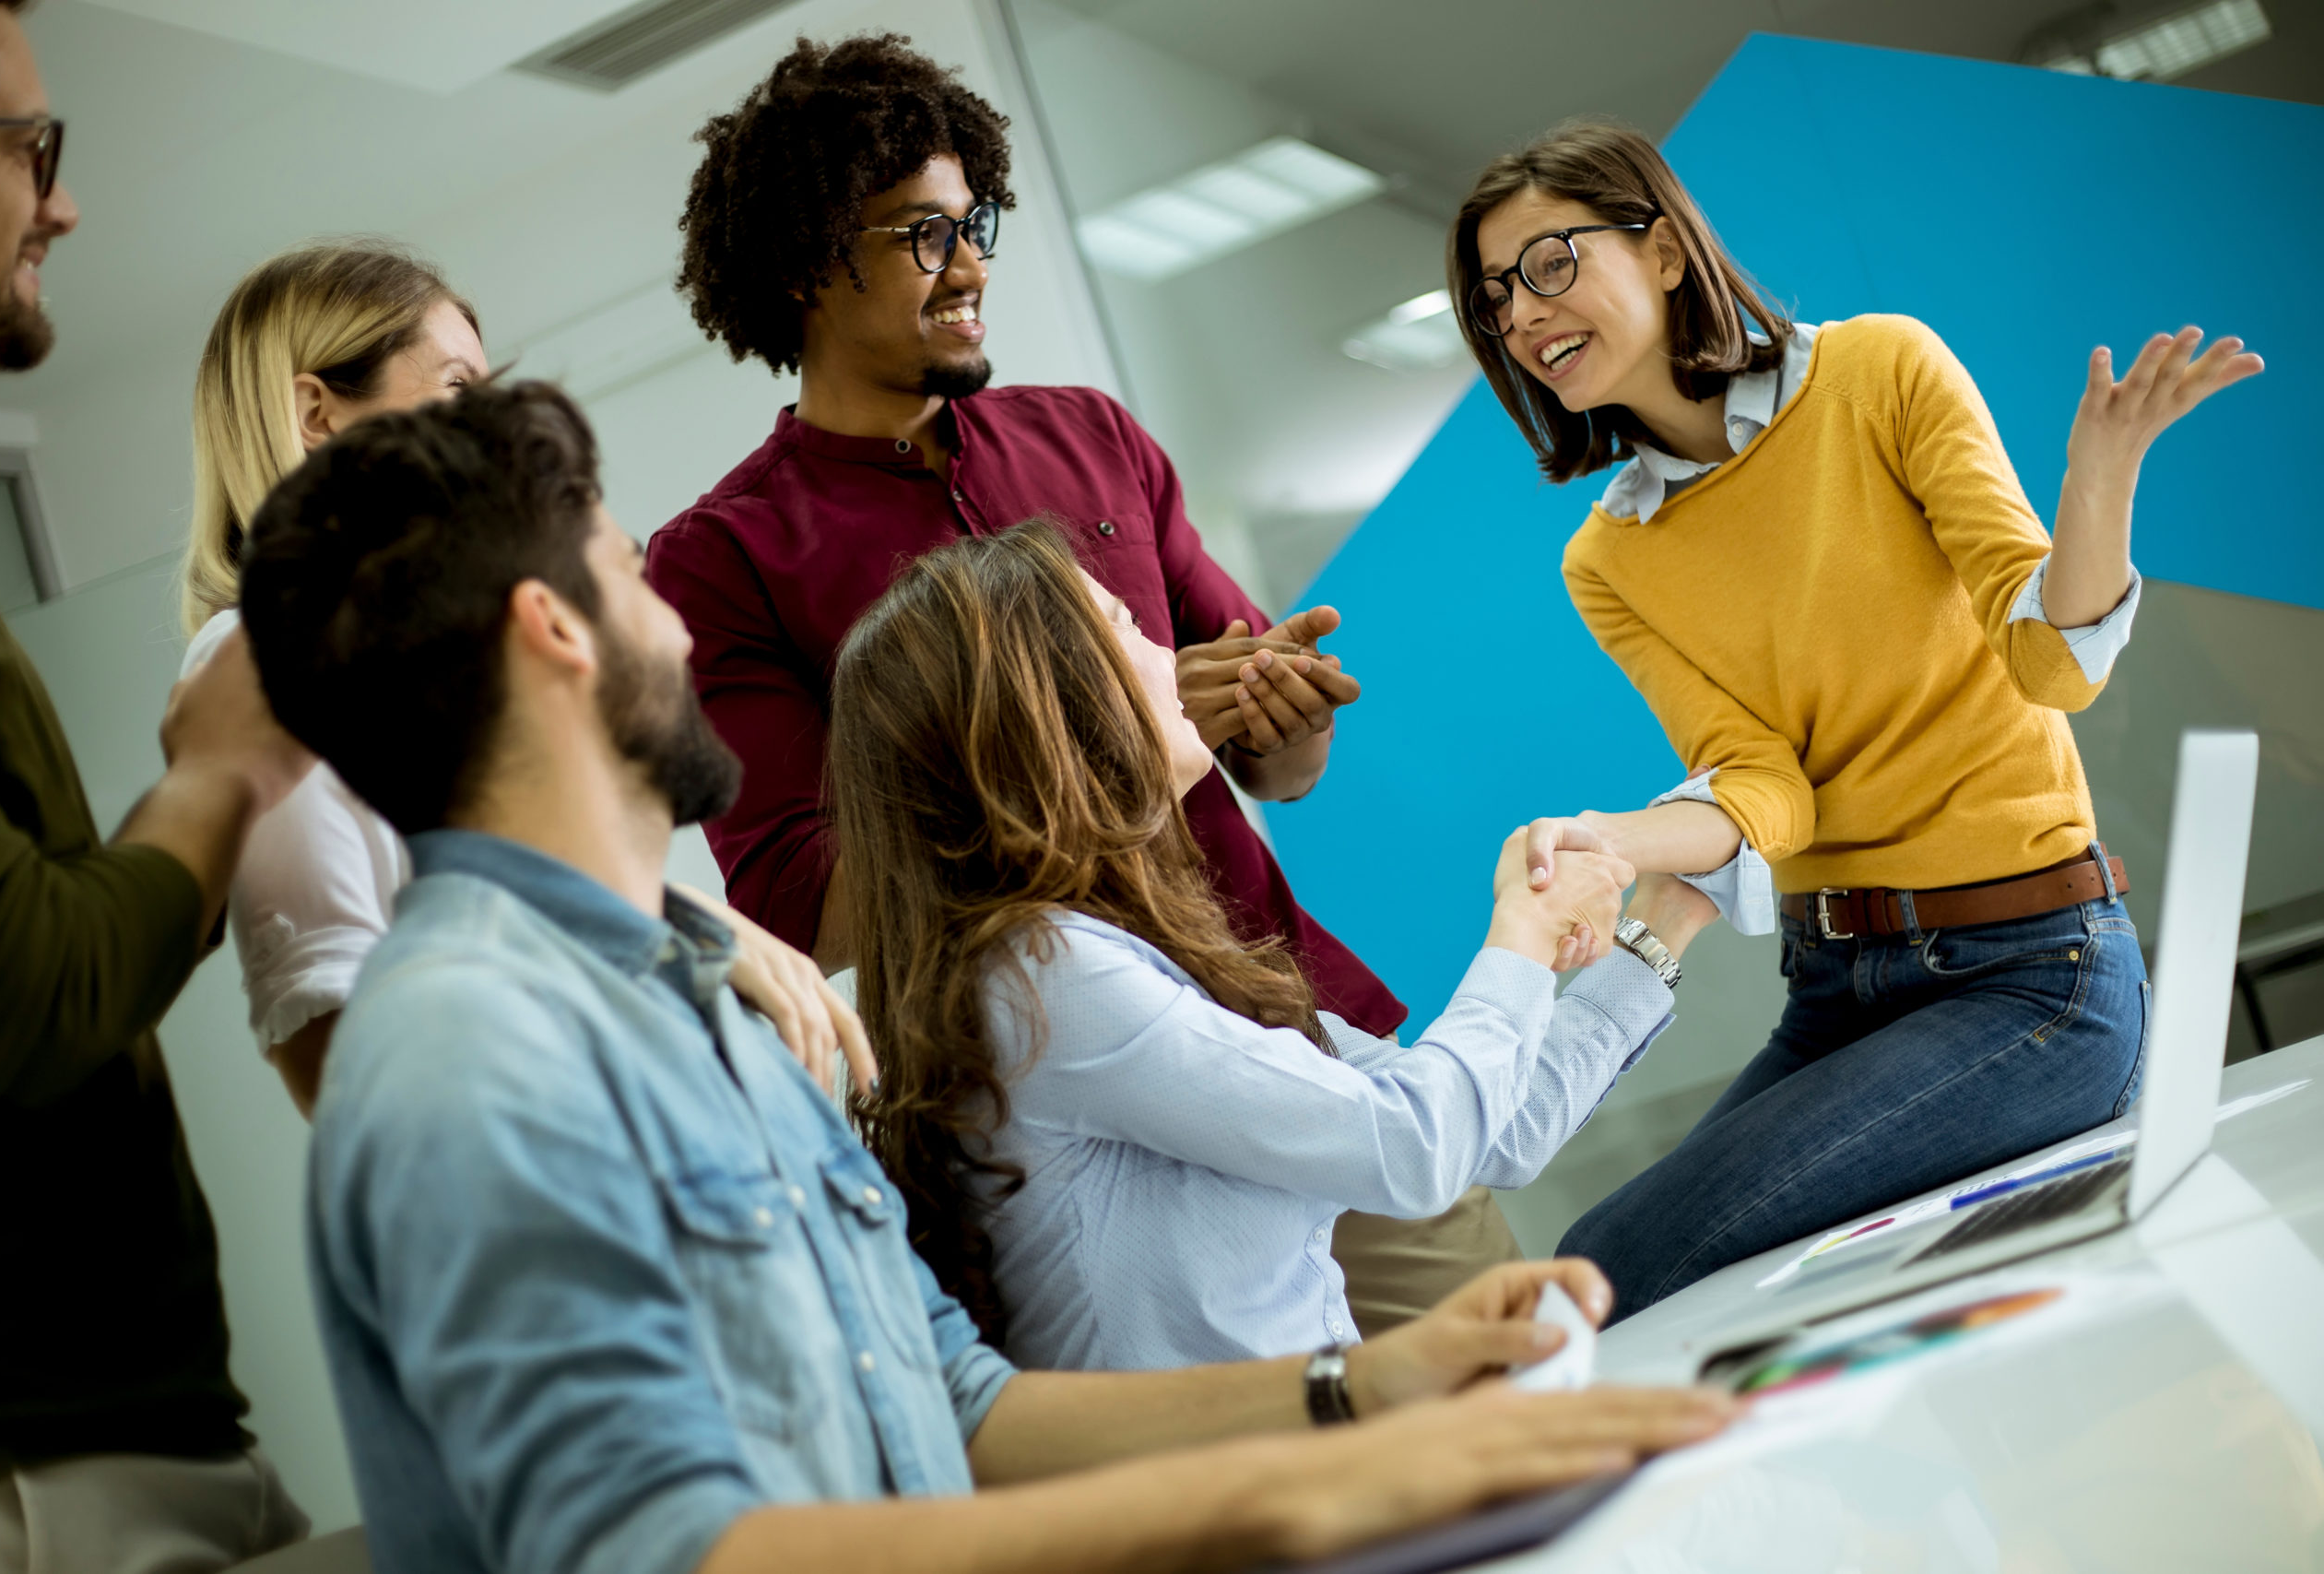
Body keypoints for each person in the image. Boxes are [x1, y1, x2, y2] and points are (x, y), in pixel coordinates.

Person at [237, 380, 1737, 1573]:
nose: (680, 624)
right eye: (636, 580)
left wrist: (1353, 1401)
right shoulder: (464, 1052)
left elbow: (961, 1401)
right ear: (553, 630)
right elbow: (665, 1550)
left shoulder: (711, 997)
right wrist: (1295, 1498)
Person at [648, 32, 1512, 1335]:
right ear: (802, 264)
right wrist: (1095, 758)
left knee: (1537, 1391)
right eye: (922, 236)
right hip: (1077, 1131)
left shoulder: (1093, 435)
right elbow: (791, 901)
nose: (973, 264)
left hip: (1297, 1034)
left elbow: (1274, 757)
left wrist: (1273, 718)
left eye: (975, 221)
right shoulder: (723, 561)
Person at [1445, 121, 2264, 1319]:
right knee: (1601, 1267)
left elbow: (2049, 663)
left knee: (1606, 1273)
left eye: (1550, 263)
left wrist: (2102, 474)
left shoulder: (1881, 371)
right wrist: (1610, 838)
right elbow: (1765, 784)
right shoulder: (1608, 557)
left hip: (2031, 979)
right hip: (1838, 982)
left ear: (1667, 250)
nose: (1520, 312)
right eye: (1495, 293)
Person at [831, 517, 1720, 1372]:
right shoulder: (1050, 977)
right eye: (1128, 628)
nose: (1173, 661)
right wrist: (1523, 929)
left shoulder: (1132, 944)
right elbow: (1412, 1147)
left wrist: (1668, 912)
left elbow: (1501, 1128)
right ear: (1044, 710)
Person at [179, 241, 869, 1117]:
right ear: (315, 412)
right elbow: (335, 1044)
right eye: (458, 390)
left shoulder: (428, 650)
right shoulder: (257, 658)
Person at [0, 2, 313, 1561]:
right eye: (29, 145)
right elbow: (33, 986)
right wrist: (229, 767)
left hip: (151, 1428)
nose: (64, 198)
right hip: (38, 1475)